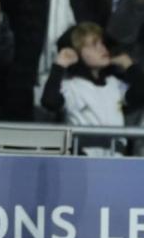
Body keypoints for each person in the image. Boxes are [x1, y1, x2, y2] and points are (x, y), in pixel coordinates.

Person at [43, 22, 144, 154]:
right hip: (85, 161)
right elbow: (49, 101)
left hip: (117, 159)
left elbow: (141, 93)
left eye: (102, 43)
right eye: (94, 45)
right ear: (77, 52)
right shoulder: (72, 86)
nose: (102, 49)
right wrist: (59, 65)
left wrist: (129, 66)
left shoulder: (114, 84)